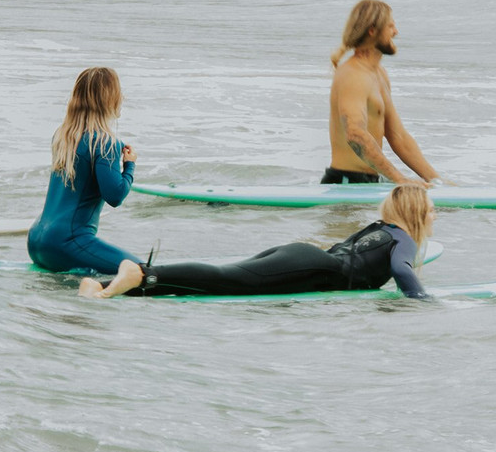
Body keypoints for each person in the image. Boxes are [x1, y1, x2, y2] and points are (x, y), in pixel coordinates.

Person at [79, 184, 434, 299]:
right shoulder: (402, 239)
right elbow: (401, 269)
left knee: (224, 275)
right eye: (431, 211)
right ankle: (142, 275)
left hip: (303, 257)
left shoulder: (381, 227)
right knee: (224, 280)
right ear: (416, 214)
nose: (433, 217)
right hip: (312, 266)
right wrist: (423, 302)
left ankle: (104, 286)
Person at [28, 67, 143, 274]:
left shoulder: (63, 136)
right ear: (111, 99)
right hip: (67, 243)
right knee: (141, 271)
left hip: (37, 240)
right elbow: (115, 196)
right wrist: (129, 166)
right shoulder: (105, 142)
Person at [323, 0, 447, 186]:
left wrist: (438, 181)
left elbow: (399, 138)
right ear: (372, 30)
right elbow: (355, 135)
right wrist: (400, 179)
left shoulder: (379, 74)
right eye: (390, 26)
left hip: (369, 182)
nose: (396, 32)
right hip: (344, 183)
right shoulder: (353, 75)